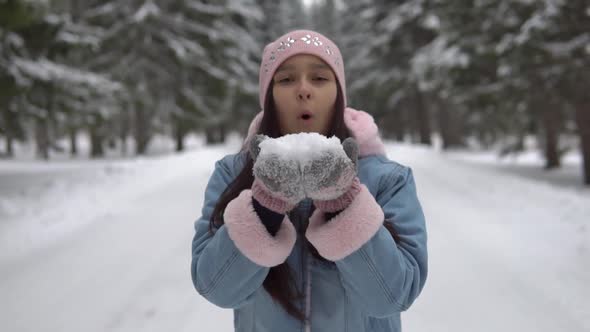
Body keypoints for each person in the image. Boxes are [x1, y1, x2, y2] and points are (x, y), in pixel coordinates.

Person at [190, 29, 428, 332]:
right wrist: (263, 210)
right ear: (269, 97)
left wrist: (345, 205)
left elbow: (392, 298)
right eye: (286, 79)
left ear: (339, 95)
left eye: (319, 78)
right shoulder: (233, 174)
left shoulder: (388, 180)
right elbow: (216, 289)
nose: (303, 90)